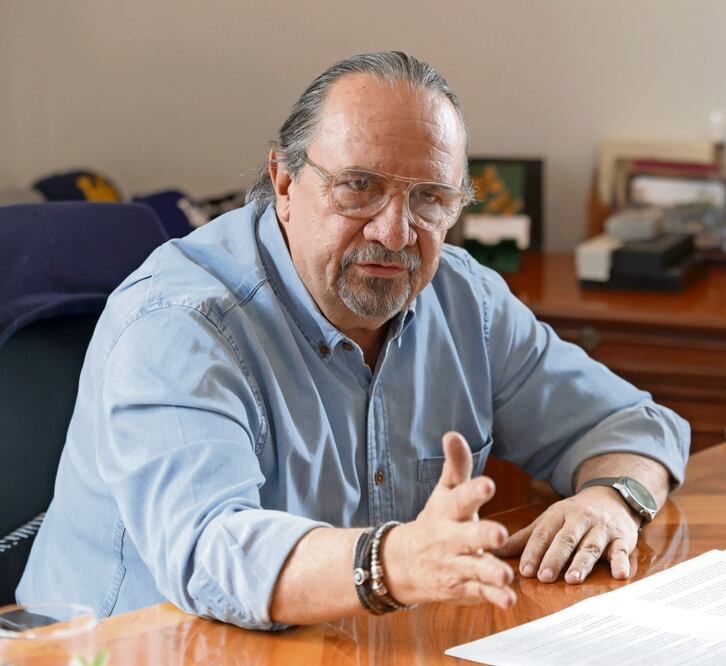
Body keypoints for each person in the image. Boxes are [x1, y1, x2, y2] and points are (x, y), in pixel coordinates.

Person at [18, 52, 689, 629]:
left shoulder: (464, 298)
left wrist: (612, 499)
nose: (395, 233)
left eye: (430, 199)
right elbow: (209, 553)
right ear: (283, 182)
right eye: (358, 188)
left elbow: (631, 424)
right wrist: (393, 562)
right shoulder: (181, 324)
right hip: (128, 648)